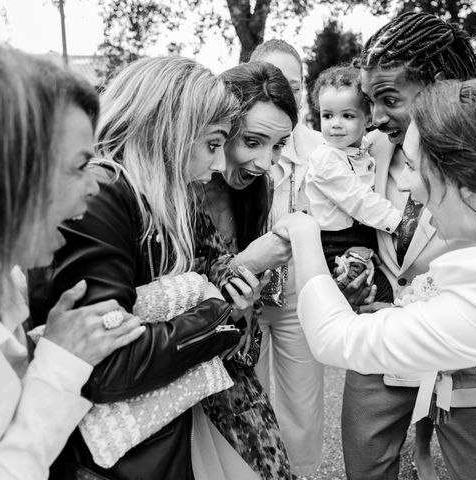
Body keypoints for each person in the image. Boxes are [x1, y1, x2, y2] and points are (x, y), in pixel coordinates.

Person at [276, 78, 476, 480]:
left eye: (415, 167)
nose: (406, 184)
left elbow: (336, 337)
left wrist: (304, 232)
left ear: (463, 179)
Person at [27, 56, 253, 480]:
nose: (221, 164)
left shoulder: (148, 198)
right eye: (212, 143)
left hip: (146, 449)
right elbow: (107, 366)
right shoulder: (104, 195)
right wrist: (214, 315)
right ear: (171, 131)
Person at [338, 11, 476, 480]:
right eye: (371, 101)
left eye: (390, 99)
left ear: (438, 85)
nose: (375, 119)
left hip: (470, 354)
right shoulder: (366, 152)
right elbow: (354, 226)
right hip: (381, 341)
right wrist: (356, 266)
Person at [0, 39, 145, 479]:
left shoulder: (5, 283)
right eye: (78, 165)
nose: (94, 186)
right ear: (3, 170)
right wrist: (58, 367)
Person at [192, 60, 297, 480]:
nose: (265, 162)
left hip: (231, 362)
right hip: (180, 362)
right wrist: (247, 264)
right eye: (252, 141)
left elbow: (252, 293)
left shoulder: (258, 188)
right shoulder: (181, 190)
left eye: (278, 146)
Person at [249, 39, 326, 477]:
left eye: (293, 86)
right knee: (248, 395)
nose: (284, 95)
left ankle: (303, 471)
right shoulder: (232, 145)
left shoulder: (322, 147)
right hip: (247, 290)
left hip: (298, 290)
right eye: (274, 83)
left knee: (303, 400)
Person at [305, 65, 396, 297]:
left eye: (347, 116)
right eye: (327, 115)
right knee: (375, 293)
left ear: (368, 119)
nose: (335, 123)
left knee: (379, 292)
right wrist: (399, 222)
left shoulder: (366, 149)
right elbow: (358, 199)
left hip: (363, 238)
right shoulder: (325, 159)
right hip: (335, 246)